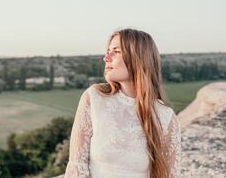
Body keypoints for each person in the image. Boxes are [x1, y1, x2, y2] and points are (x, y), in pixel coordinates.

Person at [63, 28, 181, 178]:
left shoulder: (166, 118)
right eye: (108, 50)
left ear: (138, 58)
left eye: (116, 51)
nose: (106, 57)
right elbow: (77, 167)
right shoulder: (94, 98)